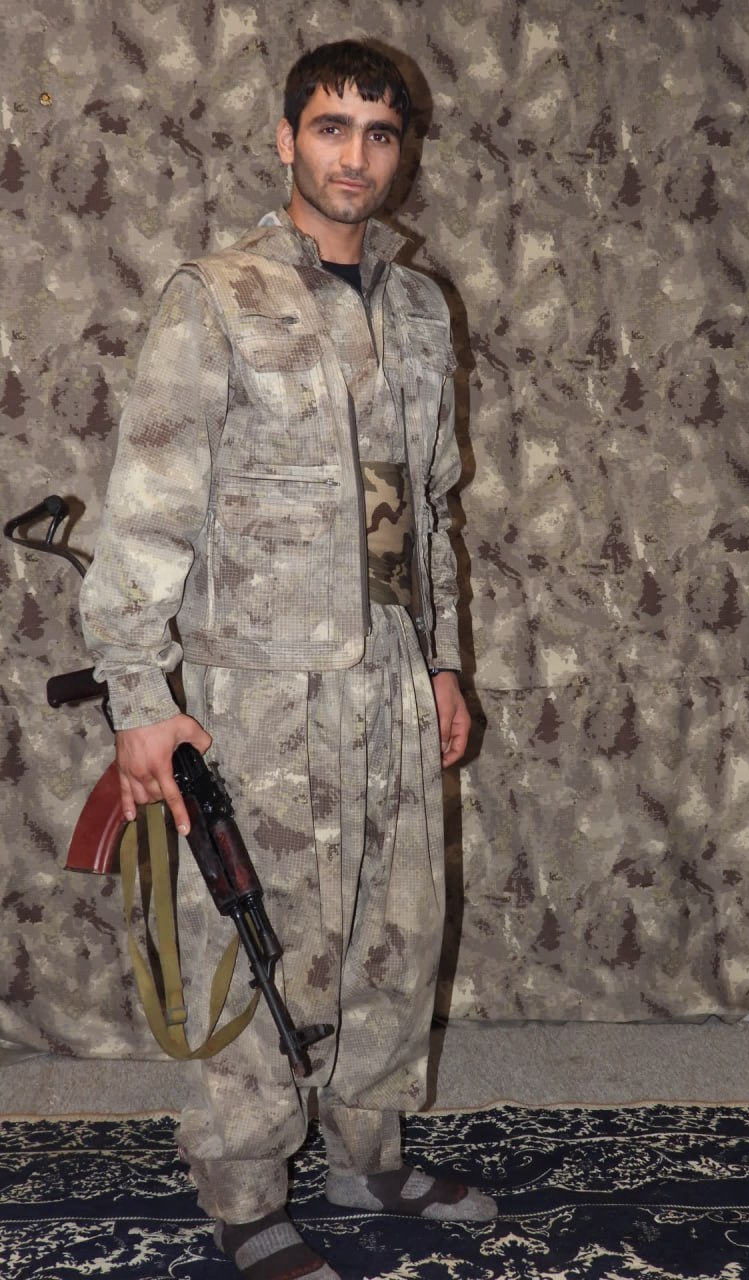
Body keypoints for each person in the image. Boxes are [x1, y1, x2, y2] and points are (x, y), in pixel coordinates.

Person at [80, 39, 495, 1280]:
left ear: (401, 153)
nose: (355, 154)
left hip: (389, 674)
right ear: (286, 140)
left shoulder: (418, 309)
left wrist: (442, 663)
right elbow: (148, 508)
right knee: (256, 933)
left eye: (379, 132)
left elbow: (424, 509)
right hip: (257, 687)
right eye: (331, 126)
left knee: (392, 926)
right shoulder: (216, 296)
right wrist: (138, 696)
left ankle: (370, 1153)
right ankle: (247, 1187)